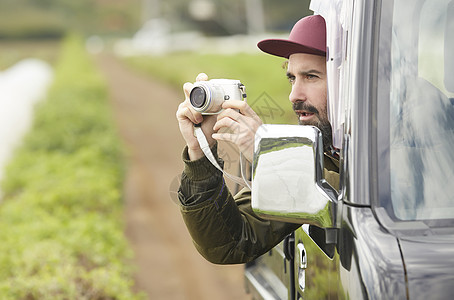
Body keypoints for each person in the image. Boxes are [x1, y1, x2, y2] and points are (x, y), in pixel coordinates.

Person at [175, 14, 339, 264]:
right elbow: (230, 242)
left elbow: (356, 197)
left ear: (347, 82)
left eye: (311, 77)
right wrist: (200, 151)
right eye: (292, 78)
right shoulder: (315, 151)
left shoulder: (402, 147)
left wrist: (271, 157)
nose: (294, 95)